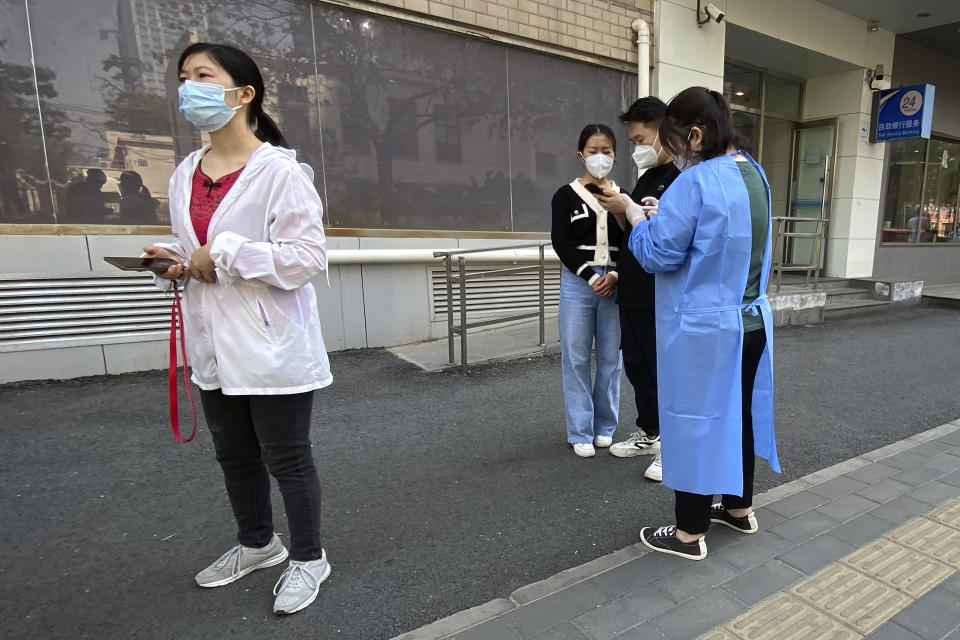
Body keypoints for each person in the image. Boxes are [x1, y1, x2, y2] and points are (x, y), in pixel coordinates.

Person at [144, 43, 332, 614]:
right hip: (212, 340)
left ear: (244, 93)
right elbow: (200, 249)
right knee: (234, 454)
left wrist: (223, 253)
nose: (188, 88)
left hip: (270, 340)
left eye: (203, 76)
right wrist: (175, 260)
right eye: (183, 78)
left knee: (286, 455)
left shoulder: (280, 172)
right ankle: (258, 543)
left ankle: (308, 557)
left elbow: (306, 258)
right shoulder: (185, 173)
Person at [625, 87, 779, 560]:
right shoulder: (754, 171)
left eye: (673, 138)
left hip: (705, 329)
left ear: (694, 134)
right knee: (739, 417)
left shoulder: (693, 183)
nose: (670, 149)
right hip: (751, 320)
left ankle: (688, 532)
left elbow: (657, 254)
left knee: (692, 422)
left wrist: (635, 217)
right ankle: (738, 508)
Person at [598, 98, 680, 483]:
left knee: (664, 373)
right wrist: (621, 208)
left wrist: (630, 208)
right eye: (632, 141)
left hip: (660, 296)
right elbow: (630, 235)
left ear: (664, 132)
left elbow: (670, 241)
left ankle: (674, 446)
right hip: (632, 292)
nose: (636, 148)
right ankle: (650, 433)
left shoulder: (680, 181)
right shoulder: (646, 179)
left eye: (640, 138)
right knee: (638, 370)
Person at [550, 124, 625, 458]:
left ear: (616, 155)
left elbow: (632, 240)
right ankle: (579, 430)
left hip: (615, 282)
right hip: (578, 282)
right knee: (576, 356)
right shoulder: (565, 195)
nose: (600, 157)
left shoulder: (623, 197)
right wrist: (588, 274)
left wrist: (617, 274)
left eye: (606, 150)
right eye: (593, 151)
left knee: (611, 357)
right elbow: (561, 241)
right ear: (581, 155)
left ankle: (605, 427)